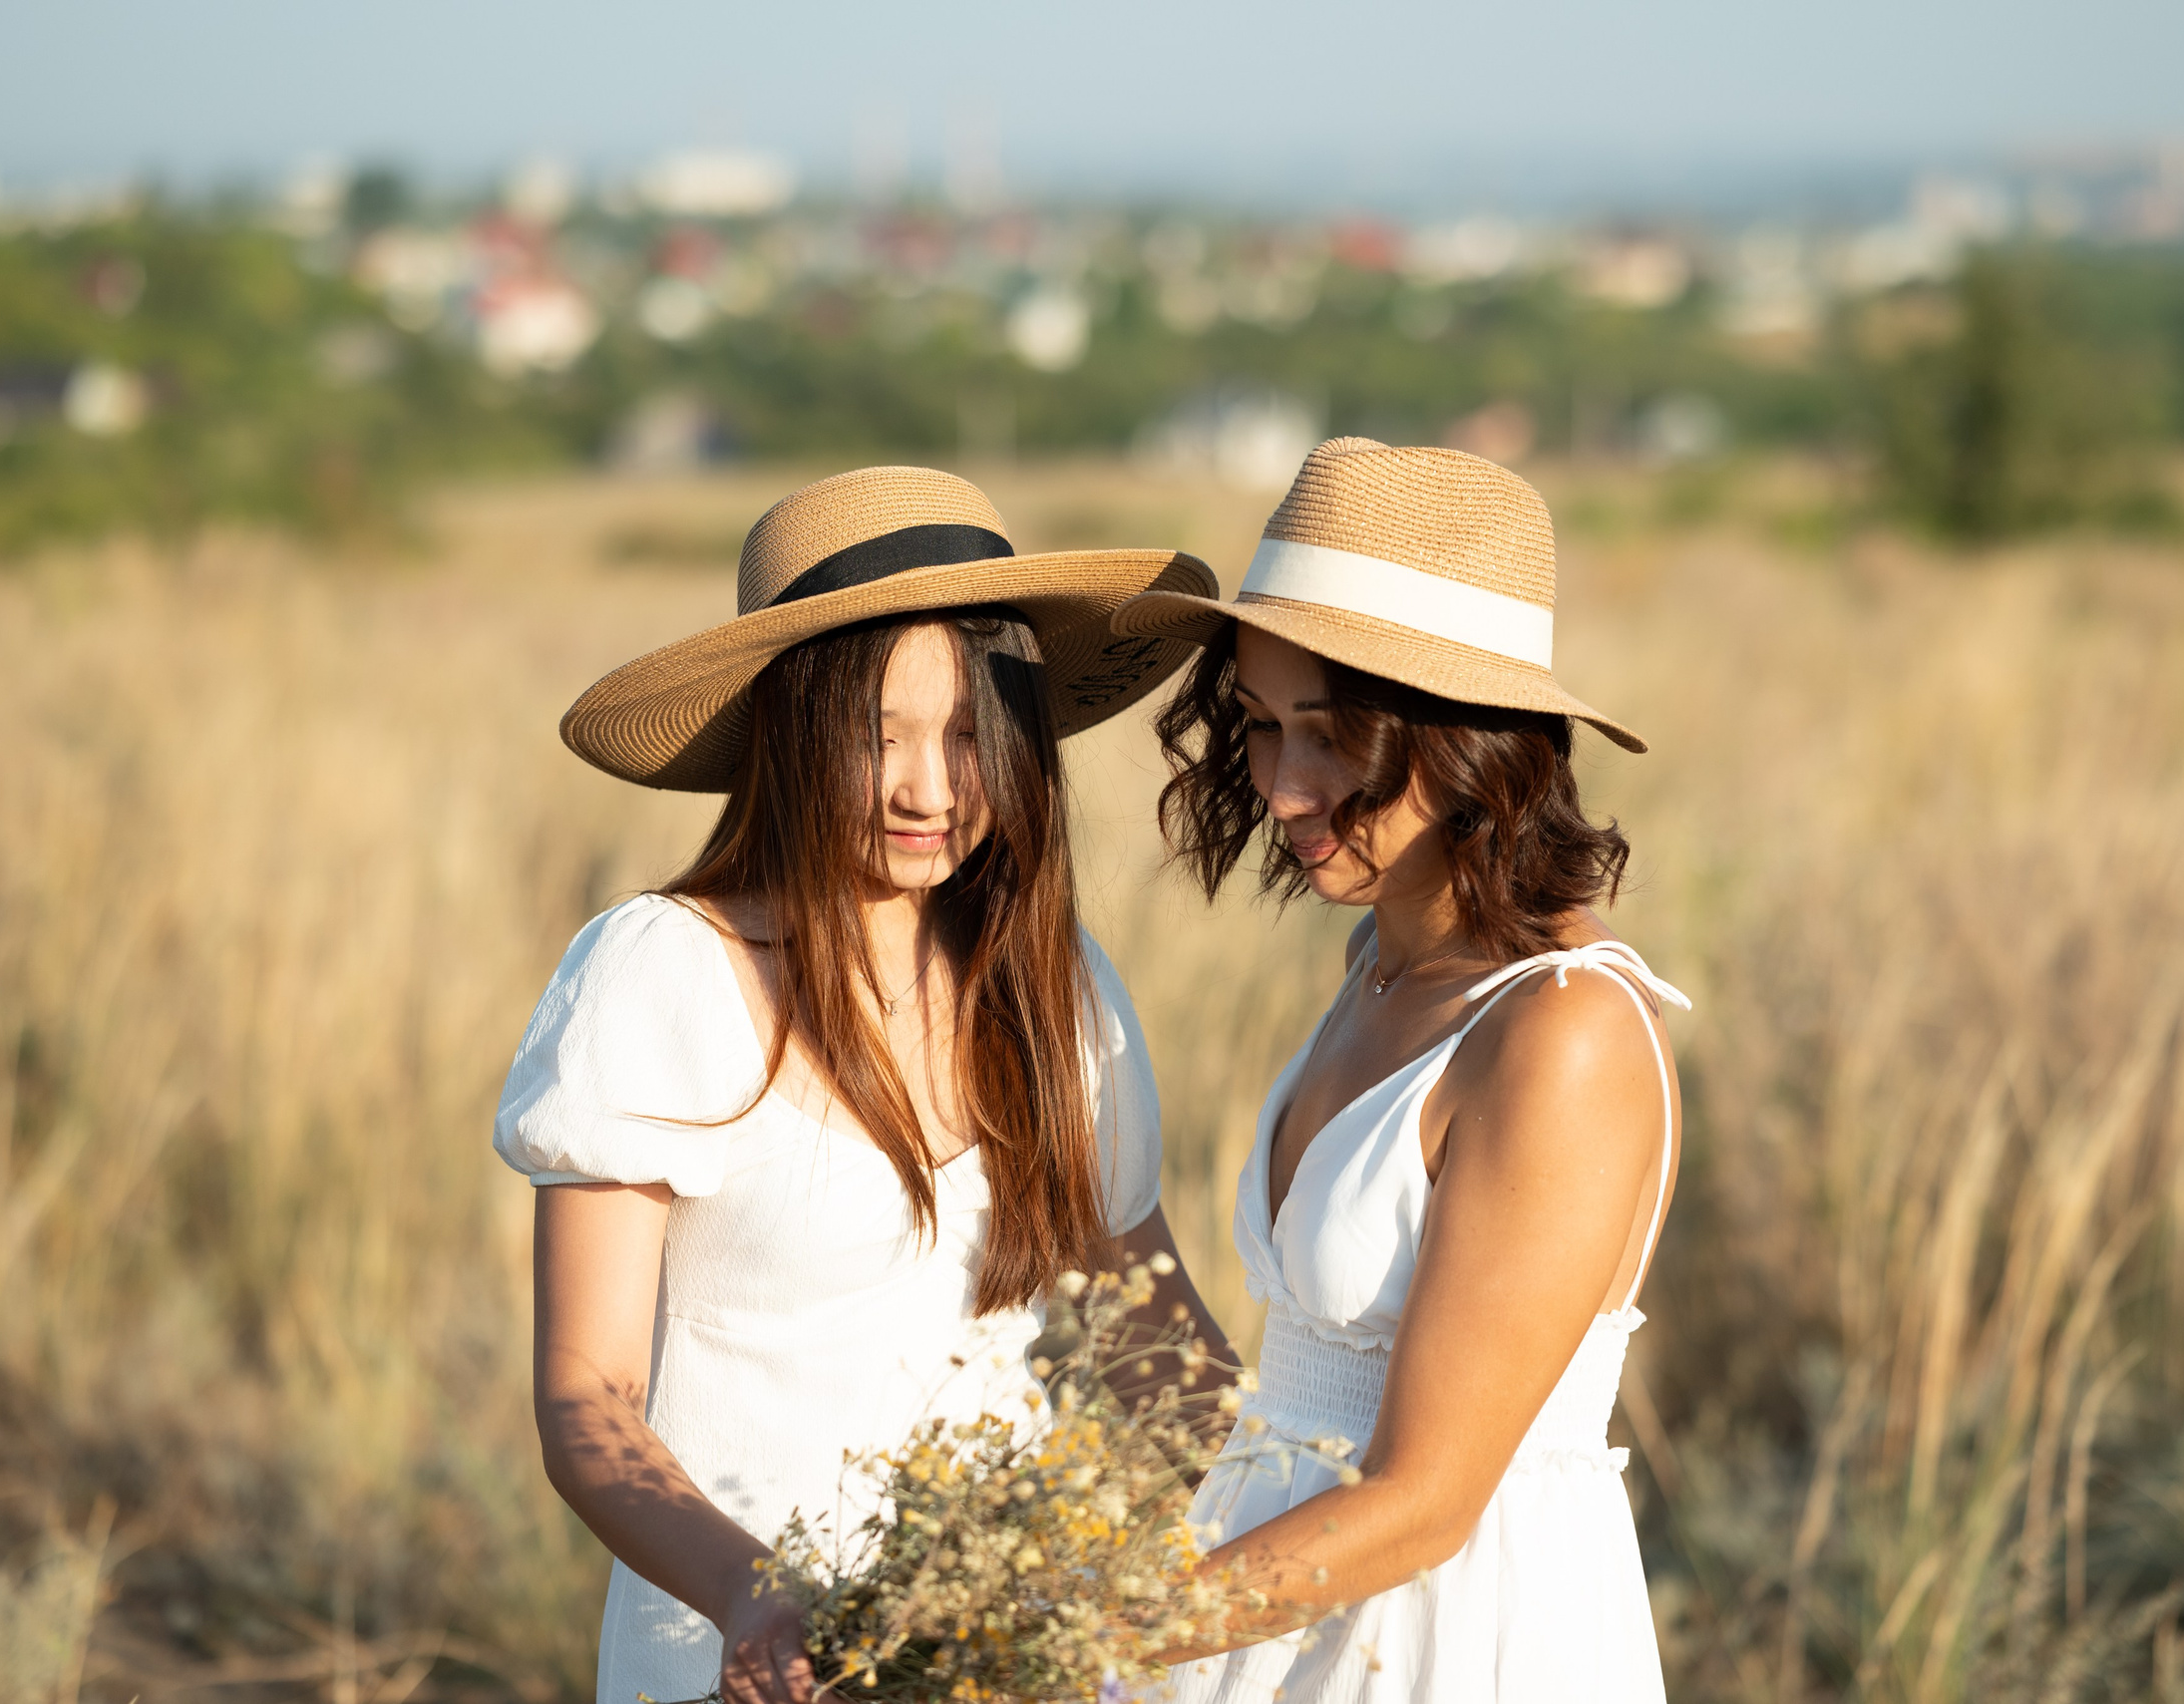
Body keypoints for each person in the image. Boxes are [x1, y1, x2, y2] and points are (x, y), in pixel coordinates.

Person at [493, 467, 1237, 1704]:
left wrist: (1316, 1542)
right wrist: (755, 1591)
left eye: (965, 734)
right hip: (739, 1659)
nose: (927, 790)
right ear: (786, 733)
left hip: (1008, 1654)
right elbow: (587, 1396)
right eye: (875, 734)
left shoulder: (1054, 981)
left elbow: (1154, 1345)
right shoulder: (663, 969)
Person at [1113, 438, 1683, 1701]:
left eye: (1334, 739)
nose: (1281, 789)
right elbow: (1296, 1396)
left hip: (1448, 1635)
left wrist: (1076, 1638)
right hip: (1267, 1608)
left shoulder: (1562, 1030)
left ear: (1468, 737)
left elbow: (1423, 1500)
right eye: (1259, 728)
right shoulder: (1380, 957)